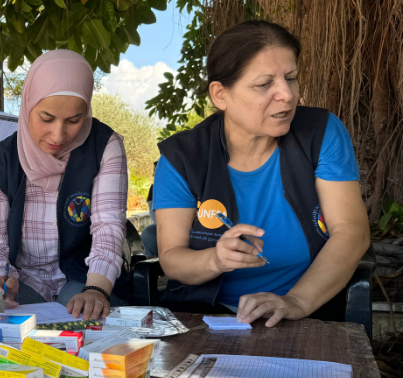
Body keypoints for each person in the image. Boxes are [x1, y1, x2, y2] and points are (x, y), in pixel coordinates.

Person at [153, 20, 369, 327]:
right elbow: (172, 258)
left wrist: (297, 301)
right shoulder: (182, 157)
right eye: (264, 84)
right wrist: (215, 259)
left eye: (291, 78)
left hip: (307, 313)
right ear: (220, 95)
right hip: (205, 318)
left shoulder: (320, 132)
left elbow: (351, 232)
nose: (287, 95)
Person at [0, 50, 129, 320]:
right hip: (22, 280)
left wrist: (96, 289)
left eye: (74, 120)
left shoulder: (104, 147)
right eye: (46, 119)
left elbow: (108, 227)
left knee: (81, 312)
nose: (59, 135)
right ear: (27, 106)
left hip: (83, 275)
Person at [141, 161, 159, 258]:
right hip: (162, 225)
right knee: (148, 233)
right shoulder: (153, 188)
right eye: (155, 172)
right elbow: (155, 217)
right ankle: (151, 261)